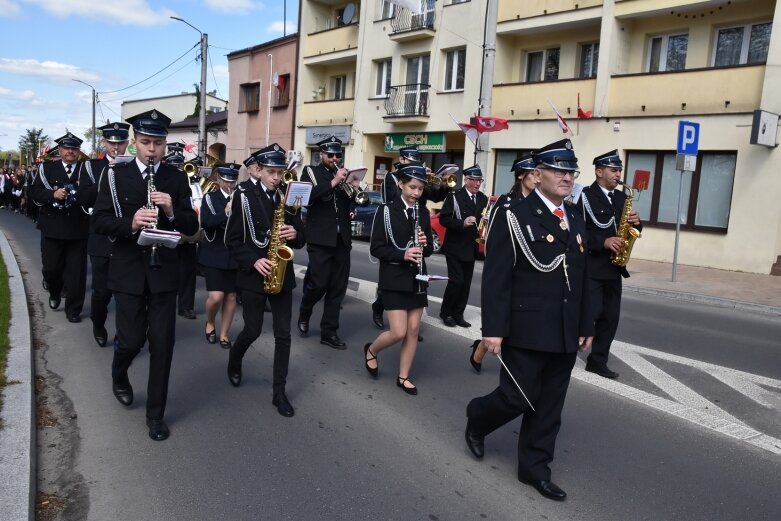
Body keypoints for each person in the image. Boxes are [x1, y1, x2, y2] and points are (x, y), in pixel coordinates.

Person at [464, 139, 594, 501]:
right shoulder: (514, 215)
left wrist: (587, 325)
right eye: (559, 170)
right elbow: (497, 277)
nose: (567, 177)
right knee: (516, 398)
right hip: (525, 327)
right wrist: (492, 330)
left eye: (571, 171)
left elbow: (583, 278)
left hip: (564, 329)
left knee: (550, 405)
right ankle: (478, 416)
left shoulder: (575, 217)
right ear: (537, 175)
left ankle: (534, 469)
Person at [93, 109, 198, 441]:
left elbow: (192, 227)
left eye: (158, 143)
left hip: (165, 273)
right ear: (134, 142)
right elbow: (100, 221)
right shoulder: (115, 176)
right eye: (145, 142)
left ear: (165, 144)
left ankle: (156, 415)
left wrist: (170, 211)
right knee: (132, 340)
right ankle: (119, 372)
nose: (152, 149)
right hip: (129, 272)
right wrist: (131, 224)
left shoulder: (176, 178)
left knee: (162, 345)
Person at [224, 144, 305, 417]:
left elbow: (302, 236)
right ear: (258, 171)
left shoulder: (288, 195)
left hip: (283, 274)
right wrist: (253, 260)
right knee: (253, 330)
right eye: (271, 172)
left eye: (280, 173)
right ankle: (235, 359)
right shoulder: (243, 195)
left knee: (284, 335)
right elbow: (232, 241)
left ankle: (278, 393)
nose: (276, 178)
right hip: (255, 275)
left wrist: (295, 233)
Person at [363, 163, 433, 395]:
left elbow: (430, 249)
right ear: (401, 184)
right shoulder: (385, 210)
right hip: (394, 277)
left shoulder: (422, 211)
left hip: (417, 277)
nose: (416, 193)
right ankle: (371, 350)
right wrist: (402, 254)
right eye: (412, 187)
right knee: (398, 332)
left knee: (413, 330)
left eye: (420, 189)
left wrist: (425, 242)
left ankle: (403, 377)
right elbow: (376, 249)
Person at [468, 153, 539, 372]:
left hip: (531, 275)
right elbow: (494, 243)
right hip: (510, 271)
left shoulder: (540, 204)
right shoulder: (506, 204)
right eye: (533, 174)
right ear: (520, 176)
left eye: (539, 174)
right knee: (503, 322)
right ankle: (480, 349)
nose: (538, 179)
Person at [578, 150, 642, 379]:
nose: (618, 174)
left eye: (619, 170)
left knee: (609, 318)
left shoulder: (621, 198)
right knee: (589, 314)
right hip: (593, 267)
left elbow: (631, 229)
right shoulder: (584, 197)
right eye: (614, 170)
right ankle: (566, 351)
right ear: (599, 172)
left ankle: (597, 361)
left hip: (614, 269)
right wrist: (603, 241)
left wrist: (637, 223)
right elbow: (578, 232)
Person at [372, 145, 447, 332]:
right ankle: (380, 307)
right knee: (393, 280)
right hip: (398, 223)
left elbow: (434, 197)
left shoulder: (419, 190)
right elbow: (391, 201)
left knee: (412, 276)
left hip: (417, 219)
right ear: (403, 160)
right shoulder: (392, 177)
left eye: (417, 161)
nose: (415, 164)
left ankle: (410, 329)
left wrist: (440, 184)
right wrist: (413, 184)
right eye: (411, 161)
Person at [28, 132, 91, 323]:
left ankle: (73, 310)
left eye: (74, 148)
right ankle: (54, 292)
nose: (70, 152)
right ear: (61, 150)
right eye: (66, 148)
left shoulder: (86, 169)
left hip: (78, 228)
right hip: (53, 228)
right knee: (51, 269)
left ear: (79, 152)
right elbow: (34, 191)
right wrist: (52, 195)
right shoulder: (47, 168)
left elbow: (93, 192)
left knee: (77, 274)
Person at [297, 135, 353, 349]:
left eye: (338, 154)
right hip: (320, 238)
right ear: (321, 155)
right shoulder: (311, 172)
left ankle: (328, 332)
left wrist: (353, 189)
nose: (334, 158)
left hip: (342, 238)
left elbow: (348, 202)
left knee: (338, 288)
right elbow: (309, 196)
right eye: (330, 155)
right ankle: (305, 309)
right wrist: (335, 181)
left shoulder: (344, 174)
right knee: (319, 283)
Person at [83, 122, 131, 346]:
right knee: (101, 292)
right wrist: (108, 174)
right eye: (111, 143)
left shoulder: (132, 166)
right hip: (101, 239)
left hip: (126, 240)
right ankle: (98, 323)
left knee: (126, 293)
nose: (116, 147)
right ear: (104, 143)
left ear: (127, 143)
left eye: (120, 143)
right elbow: (85, 198)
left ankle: (125, 335)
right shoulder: (92, 167)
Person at [438, 165, 488, 328]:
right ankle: (446, 313)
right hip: (455, 247)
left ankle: (458, 314)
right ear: (466, 180)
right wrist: (462, 223)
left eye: (479, 180)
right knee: (456, 282)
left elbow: (484, 220)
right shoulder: (455, 196)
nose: (477, 184)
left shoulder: (482, 198)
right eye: (474, 180)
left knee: (466, 284)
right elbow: (443, 219)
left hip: (471, 247)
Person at [198, 162, 239, 350]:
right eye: (226, 180)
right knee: (216, 297)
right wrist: (226, 212)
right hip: (214, 252)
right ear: (218, 179)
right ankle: (210, 322)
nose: (229, 184)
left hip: (234, 254)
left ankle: (224, 334)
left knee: (231, 297)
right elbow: (207, 223)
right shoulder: (209, 198)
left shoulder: (240, 198)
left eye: (232, 180)